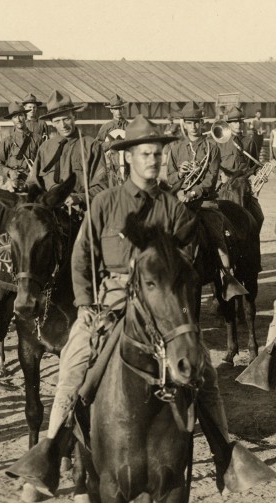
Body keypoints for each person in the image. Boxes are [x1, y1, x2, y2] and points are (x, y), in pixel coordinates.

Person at [46, 115, 257, 490]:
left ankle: (225, 453)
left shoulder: (173, 208)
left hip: (159, 305)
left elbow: (183, 265)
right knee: (73, 364)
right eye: (146, 154)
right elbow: (82, 257)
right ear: (128, 158)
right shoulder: (106, 203)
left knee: (204, 373)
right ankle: (48, 454)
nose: (154, 161)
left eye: (158, 154)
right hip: (110, 301)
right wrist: (84, 304)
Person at [166, 101, 246, 300]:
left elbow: (210, 180)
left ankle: (226, 277)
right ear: (183, 123)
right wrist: (179, 174)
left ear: (202, 123)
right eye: (189, 122)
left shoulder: (212, 148)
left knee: (217, 237)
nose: (193, 126)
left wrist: (192, 193)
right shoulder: (175, 149)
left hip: (204, 204)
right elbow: (169, 178)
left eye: (197, 122)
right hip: (180, 204)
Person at [28, 90, 107, 210]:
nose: (63, 125)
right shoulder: (45, 148)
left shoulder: (91, 146)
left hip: (80, 214)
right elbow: (33, 183)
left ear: (74, 117)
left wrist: (80, 197)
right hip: (49, 215)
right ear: (52, 123)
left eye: (66, 119)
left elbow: (102, 187)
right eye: (57, 121)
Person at [218, 105, 264, 231]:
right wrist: (222, 175)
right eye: (234, 122)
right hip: (225, 188)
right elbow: (214, 164)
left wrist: (260, 174)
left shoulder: (249, 142)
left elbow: (255, 165)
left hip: (244, 188)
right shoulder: (220, 143)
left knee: (259, 217)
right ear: (228, 124)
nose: (237, 125)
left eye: (239, 121)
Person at [0, 102, 43, 192]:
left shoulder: (37, 139)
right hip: (11, 184)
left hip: (31, 184)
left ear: (25, 116)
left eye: (20, 115)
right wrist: (9, 172)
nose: (18, 119)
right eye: (15, 117)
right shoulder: (7, 141)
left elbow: (44, 162)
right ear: (12, 119)